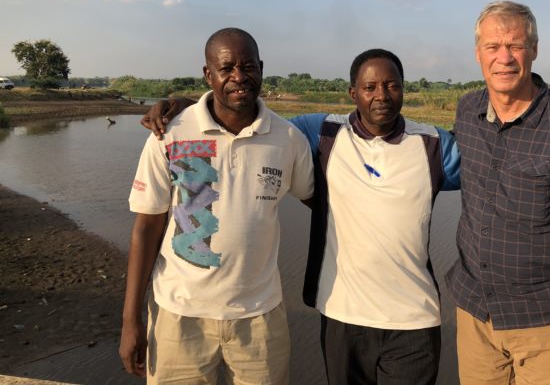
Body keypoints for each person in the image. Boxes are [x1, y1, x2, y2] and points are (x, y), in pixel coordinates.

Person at [141, 49, 461, 384]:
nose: (381, 95)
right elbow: (247, 122)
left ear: (404, 89)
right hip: (342, 312)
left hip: (415, 318)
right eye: (370, 87)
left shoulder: (433, 145)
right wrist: (188, 107)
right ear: (353, 93)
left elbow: (486, 166)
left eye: (392, 85)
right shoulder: (323, 132)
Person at [119, 28, 314, 384]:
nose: (239, 77)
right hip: (178, 316)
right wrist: (130, 320)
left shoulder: (288, 139)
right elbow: (146, 228)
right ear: (208, 75)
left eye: (248, 66)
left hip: (260, 318)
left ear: (261, 69)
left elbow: (317, 199)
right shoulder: (169, 133)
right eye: (226, 68)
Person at [446, 1, 550, 385]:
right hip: (476, 316)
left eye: (516, 46)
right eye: (493, 47)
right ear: (478, 53)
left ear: (534, 50)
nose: (504, 58)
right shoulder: (468, 111)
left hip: (549, 322)